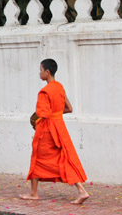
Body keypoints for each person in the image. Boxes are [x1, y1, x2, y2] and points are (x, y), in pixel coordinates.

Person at [20, 59, 90, 205]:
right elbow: (69, 109)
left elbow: (42, 114)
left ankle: (34, 193)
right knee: (65, 158)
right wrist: (55, 114)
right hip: (60, 127)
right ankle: (81, 190)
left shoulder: (44, 91)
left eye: (41, 70)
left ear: (47, 72)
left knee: (37, 158)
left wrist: (37, 122)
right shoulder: (60, 87)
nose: (39, 73)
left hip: (47, 129)